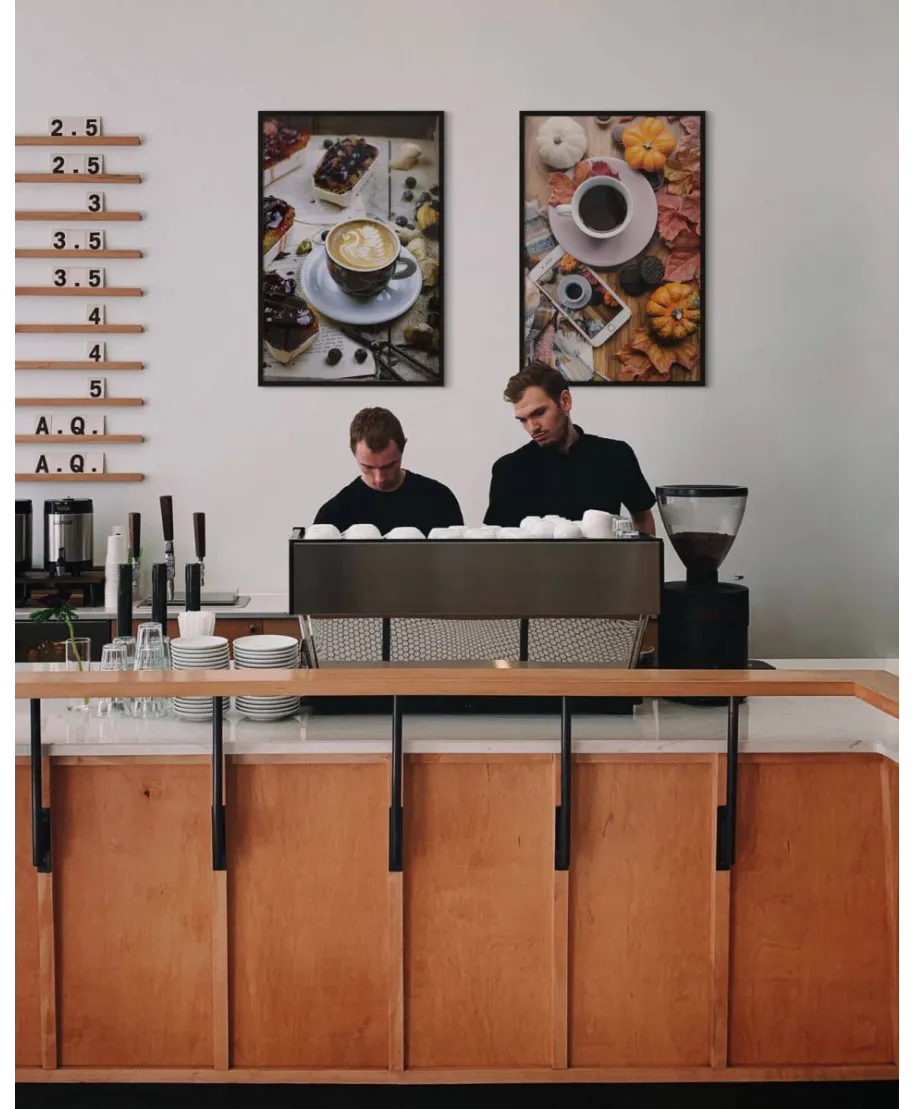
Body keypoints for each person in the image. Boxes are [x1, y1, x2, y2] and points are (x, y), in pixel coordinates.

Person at [484, 362, 657, 533]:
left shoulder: (616, 456)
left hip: (604, 553)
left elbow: (642, 517)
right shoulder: (508, 470)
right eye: (523, 419)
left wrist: (643, 552)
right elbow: (496, 541)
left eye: (539, 413)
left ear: (565, 401)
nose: (532, 427)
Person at [314, 407, 463, 535]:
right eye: (368, 467)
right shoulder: (333, 516)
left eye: (389, 466)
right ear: (354, 454)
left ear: (403, 448)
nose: (379, 479)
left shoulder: (440, 500)